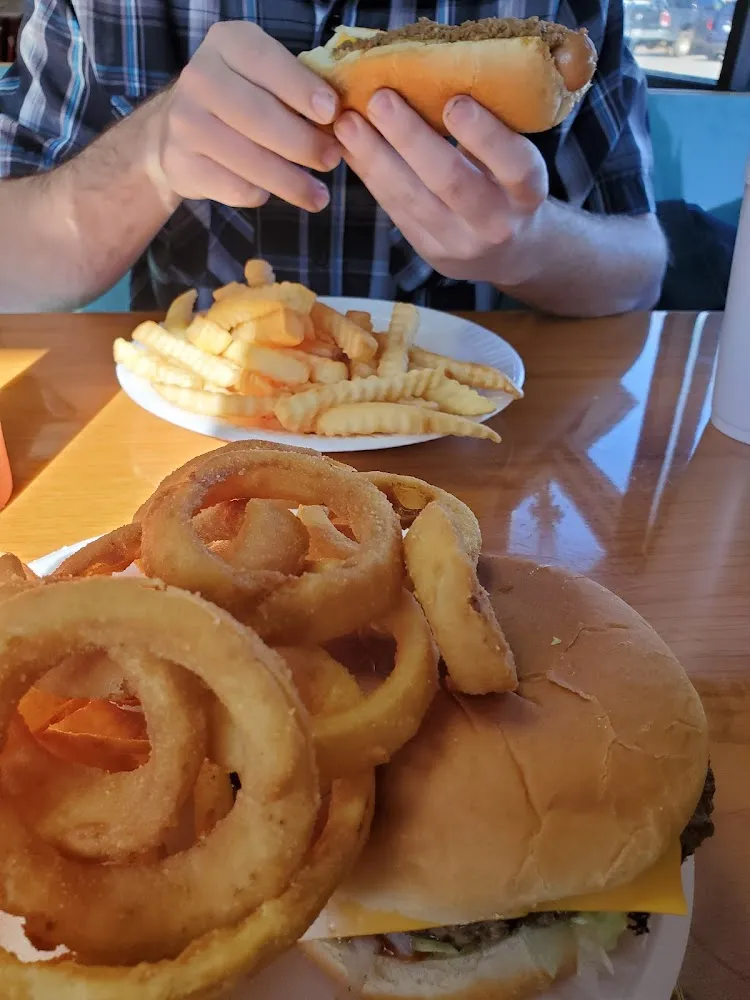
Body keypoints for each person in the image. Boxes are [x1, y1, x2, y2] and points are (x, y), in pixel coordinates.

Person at [0, 2, 667, 317]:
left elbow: (639, 271)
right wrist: (148, 155)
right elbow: (13, 270)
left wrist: (532, 246)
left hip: (464, 447)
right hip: (197, 438)